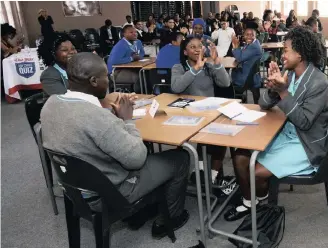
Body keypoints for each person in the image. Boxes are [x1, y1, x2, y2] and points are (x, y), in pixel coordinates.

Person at [40, 52, 190, 239]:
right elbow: (137, 159)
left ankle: (141, 212)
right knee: (181, 157)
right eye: (107, 76)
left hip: (74, 188)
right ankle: (172, 218)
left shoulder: (50, 104)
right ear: (94, 81)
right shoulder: (96, 117)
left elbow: (81, 127)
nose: (110, 80)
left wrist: (111, 118)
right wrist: (127, 121)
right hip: (110, 192)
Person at [224, 27, 328, 221]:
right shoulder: (289, 73)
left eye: (286, 50)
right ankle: (252, 200)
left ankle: (258, 197)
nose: (282, 55)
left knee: (254, 171)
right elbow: (263, 104)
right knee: (240, 153)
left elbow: (305, 122)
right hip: (285, 133)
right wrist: (274, 88)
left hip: (305, 143)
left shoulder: (319, 82)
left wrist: (283, 92)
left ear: (299, 54)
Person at [171, 37, 232, 190]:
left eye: (200, 46)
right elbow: (176, 87)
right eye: (192, 47)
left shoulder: (209, 67)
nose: (197, 49)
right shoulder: (179, 68)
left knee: (223, 135)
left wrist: (217, 61)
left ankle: (211, 175)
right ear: (185, 52)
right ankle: (198, 170)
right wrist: (194, 69)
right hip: (188, 115)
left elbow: (225, 83)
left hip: (209, 113)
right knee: (203, 135)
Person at [38, 32, 78, 98]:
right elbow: (65, 100)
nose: (71, 52)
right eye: (64, 50)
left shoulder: (78, 68)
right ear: (53, 54)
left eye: (73, 48)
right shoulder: (49, 76)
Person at [107, 25, 145, 93]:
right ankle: (139, 96)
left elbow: (142, 53)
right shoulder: (120, 45)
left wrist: (138, 57)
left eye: (135, 32)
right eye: (131, 32)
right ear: (124, 34)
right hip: (116, 72)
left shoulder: (138, 42)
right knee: (139, 76)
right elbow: (114, 61)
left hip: (130, 68)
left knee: (146, 73)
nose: (135, 34)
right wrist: (131, 58)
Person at [231, 24, 263, 103]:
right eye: (247, 35)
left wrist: (235, 47)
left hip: (247, 77)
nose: (249, 37)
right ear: (243, 36)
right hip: (253, 75)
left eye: (252, 35)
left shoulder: (253, 47)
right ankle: (242, 98)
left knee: (229, 79)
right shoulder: (254, 43)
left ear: (255, 35)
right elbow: (242, 55)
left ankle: (238, 99)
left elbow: (240, 58)